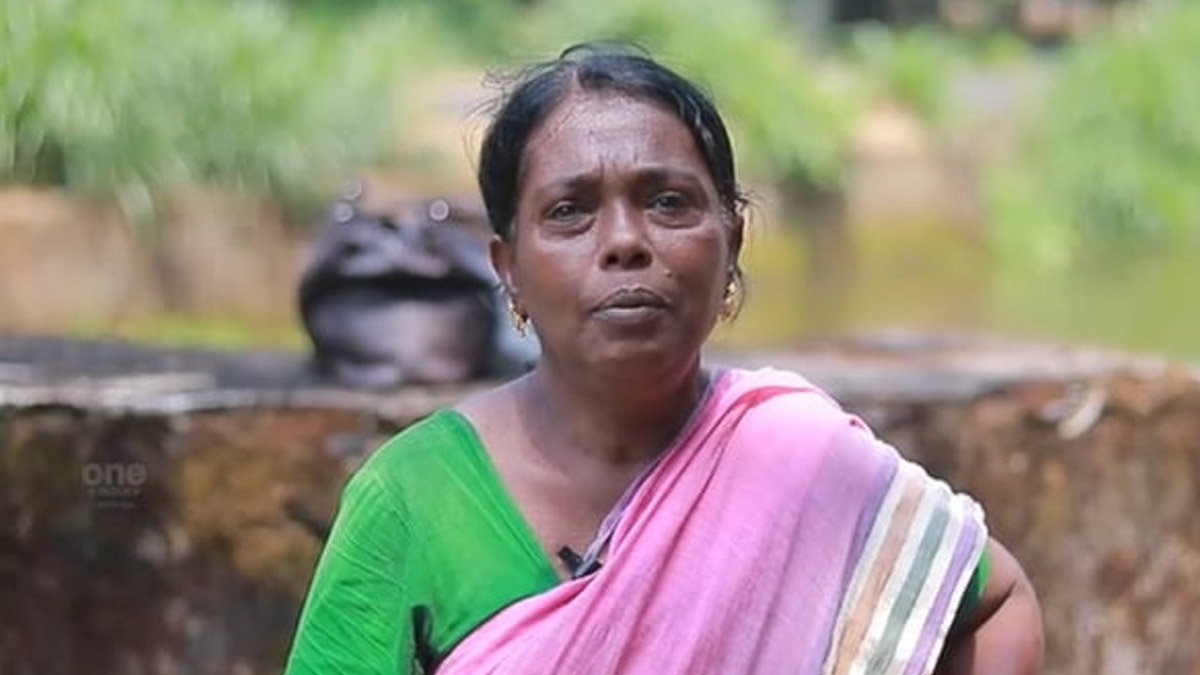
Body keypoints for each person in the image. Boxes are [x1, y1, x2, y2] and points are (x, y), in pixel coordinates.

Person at [283, 43, 1044, 675]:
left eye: (669, 202)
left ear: (731, 243)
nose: (625, 241)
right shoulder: (413, 498)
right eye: (570, 211)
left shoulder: (798, 457)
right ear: (508, 268)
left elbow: (998, 604)